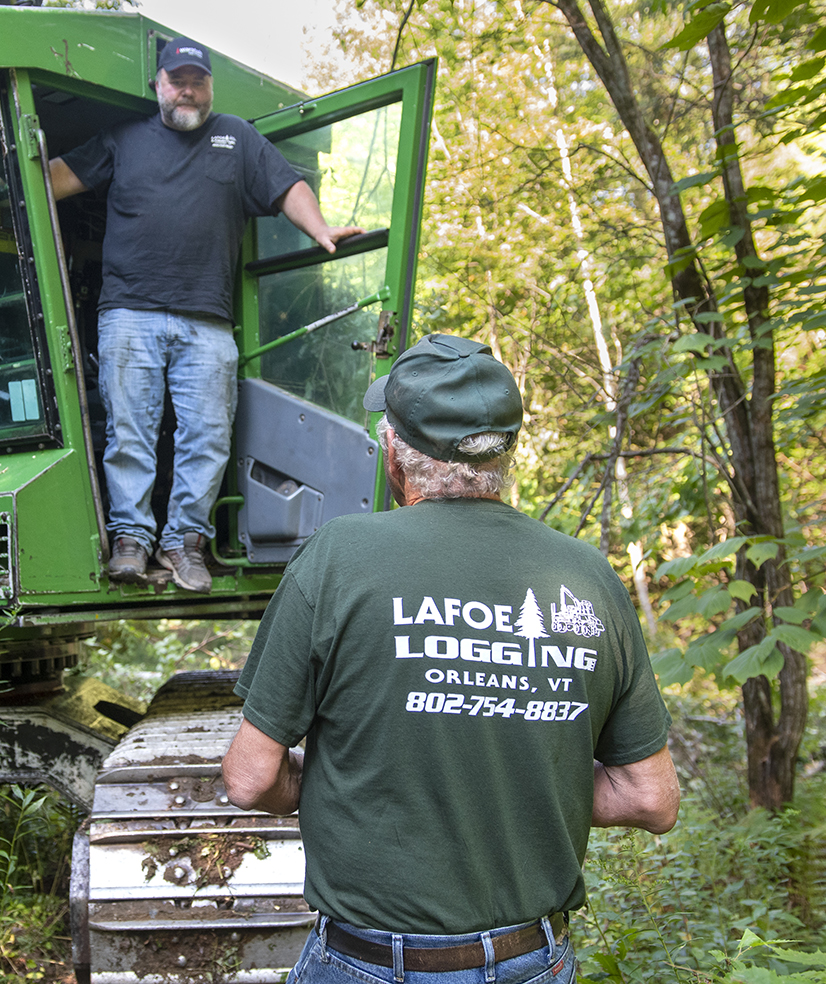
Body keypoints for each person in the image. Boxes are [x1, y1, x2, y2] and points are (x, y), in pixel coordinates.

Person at [221, 334, 680, 983]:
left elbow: (249, 777)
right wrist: (518, 788)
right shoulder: (586, 576)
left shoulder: (339, 558)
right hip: (536, 963)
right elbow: (651, 798)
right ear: (504, 453)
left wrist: (330, 786)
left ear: (394, 452)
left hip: (373, 966)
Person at [48, 38, 364, 593]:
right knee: (129, 435)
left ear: (210, 86)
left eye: (197, 80)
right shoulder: (123, 139)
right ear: (158, 85)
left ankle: (184, 544)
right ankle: (131, 541)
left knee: (209, 437)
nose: (186, 89)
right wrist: (1, 185)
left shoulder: (236, 138)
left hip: (207, 322)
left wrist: (318, 229)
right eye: (177, 79)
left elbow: (288, 184)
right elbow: (54, 179)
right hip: (129, 314)